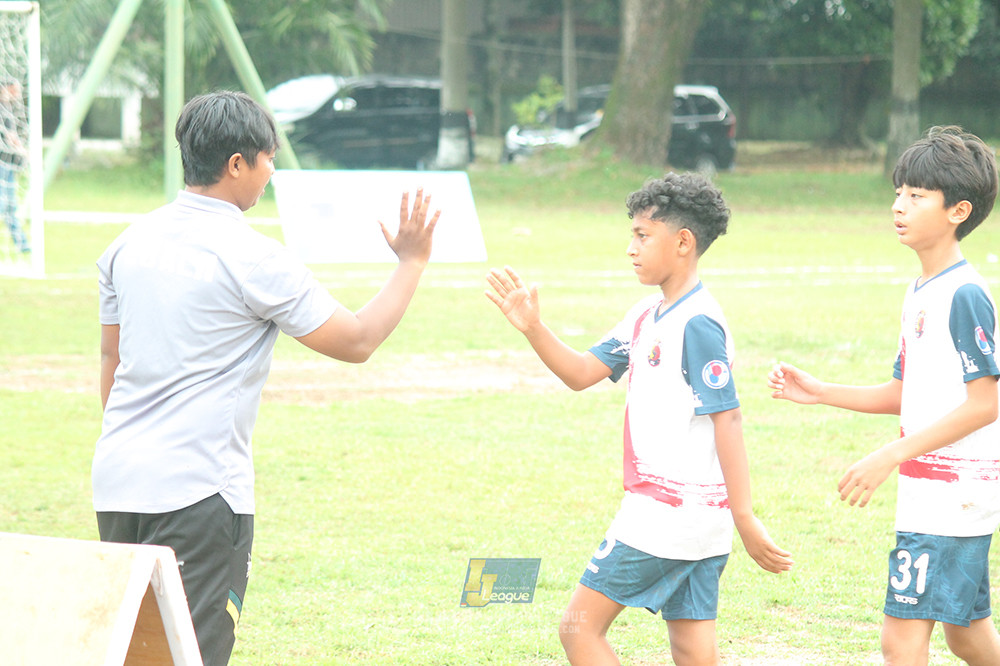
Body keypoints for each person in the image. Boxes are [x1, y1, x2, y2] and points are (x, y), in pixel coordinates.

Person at [94, 90, 439, 666]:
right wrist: (412, 262)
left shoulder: (125, 245)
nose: (271, 171)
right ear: (237, 165)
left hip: (119, 481)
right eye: (268, 158)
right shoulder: (253, 256)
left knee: (135, 652)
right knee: (189, 655)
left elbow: (112, 360)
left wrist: (132, 442)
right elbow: (356, 341)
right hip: (199, 493)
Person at [486, 172, 793, 666]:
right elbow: (583, 373)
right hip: (698, 519)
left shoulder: (698, 323)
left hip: (668, 512)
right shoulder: (646, 314)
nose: (630, 247)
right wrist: (534, 328)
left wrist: (746, 517)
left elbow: (728, 420)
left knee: (577, 629)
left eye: (642, 235)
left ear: (683, 242)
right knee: (693, 651)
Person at [768, 126, 1000, 665]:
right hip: (938, 491)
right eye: (899, 192)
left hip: (954, 494)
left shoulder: (964, 294)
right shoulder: (919, 290)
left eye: (917, 196)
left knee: (901, 639)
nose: (899, 205)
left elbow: (986, 403)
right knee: (966, 635)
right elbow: (906, 392)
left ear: (958, 211)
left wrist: (890, 454)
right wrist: (822, 392)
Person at [0, 79, 29, 253]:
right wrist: (25, 153)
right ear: (7, 89)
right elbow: (11, 137)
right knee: (5, 205)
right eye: (15, 90)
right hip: (2, 164)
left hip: (8, 164)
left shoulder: (8, 109)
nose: (18, 93)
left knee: (10, 207)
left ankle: (23, 245)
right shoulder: (2, 110)